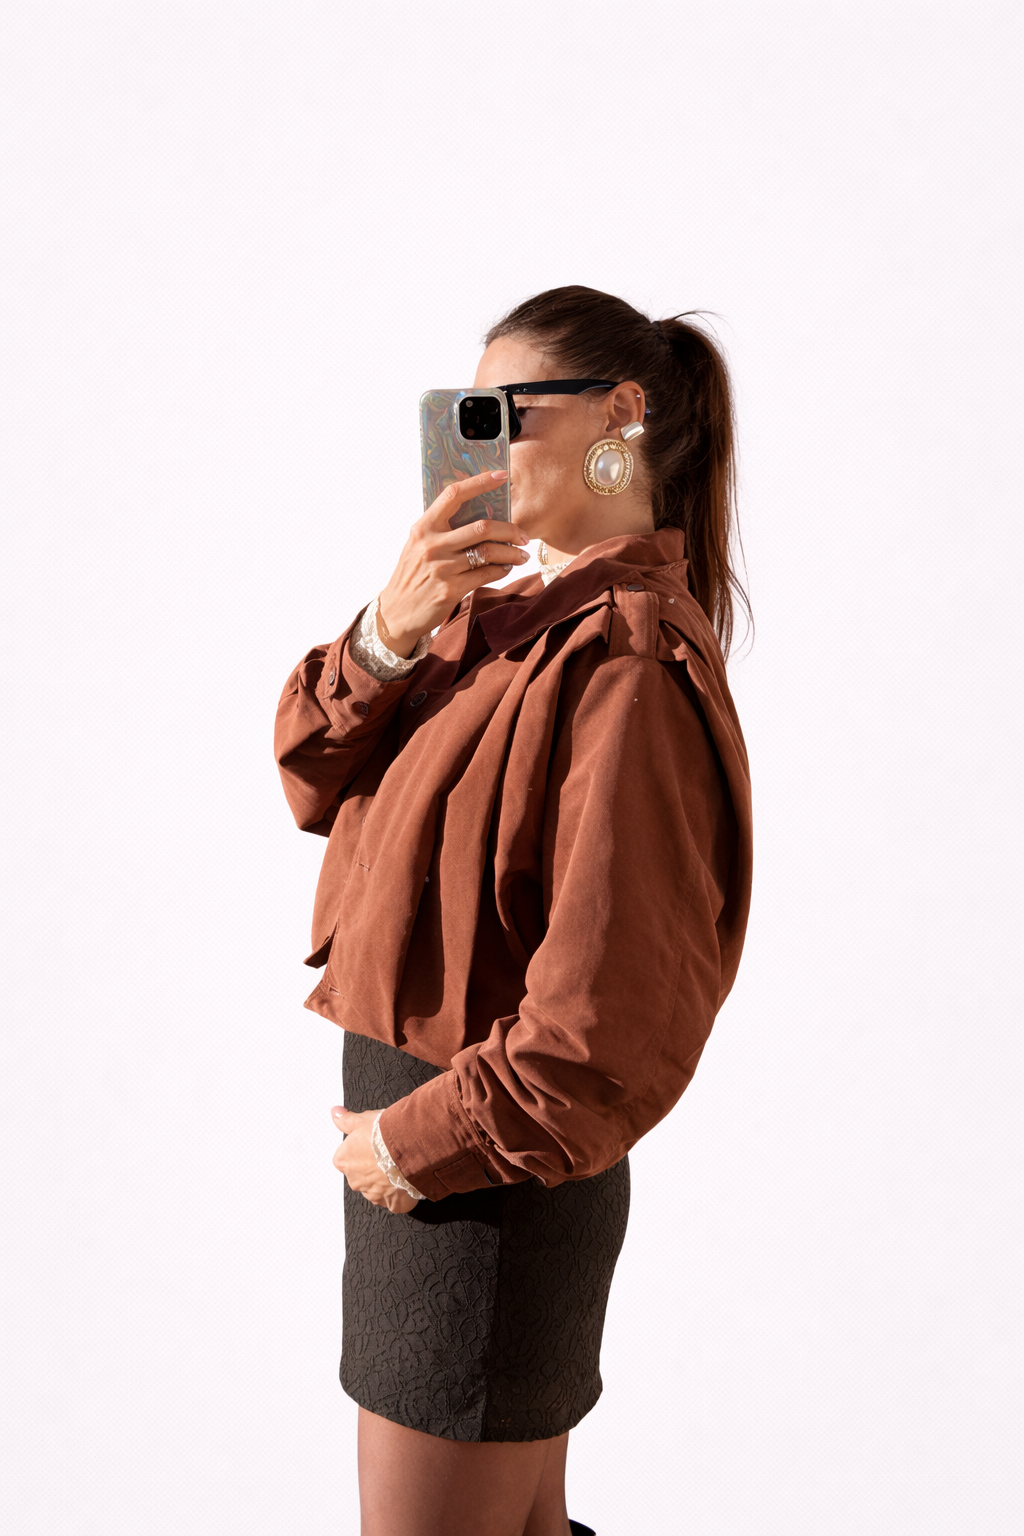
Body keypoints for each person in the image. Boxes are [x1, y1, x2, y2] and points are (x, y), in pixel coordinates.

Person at [275, 286, 753, 1536]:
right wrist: (388, 633)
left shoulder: (625, 665)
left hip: (480, 1175)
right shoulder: (502, 628)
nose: (473, 445)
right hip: (447, 1162)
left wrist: (411, 1147)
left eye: (501, 413)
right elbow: (308, 776)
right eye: (462, 415)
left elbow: (611, 1019)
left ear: (619, 413)